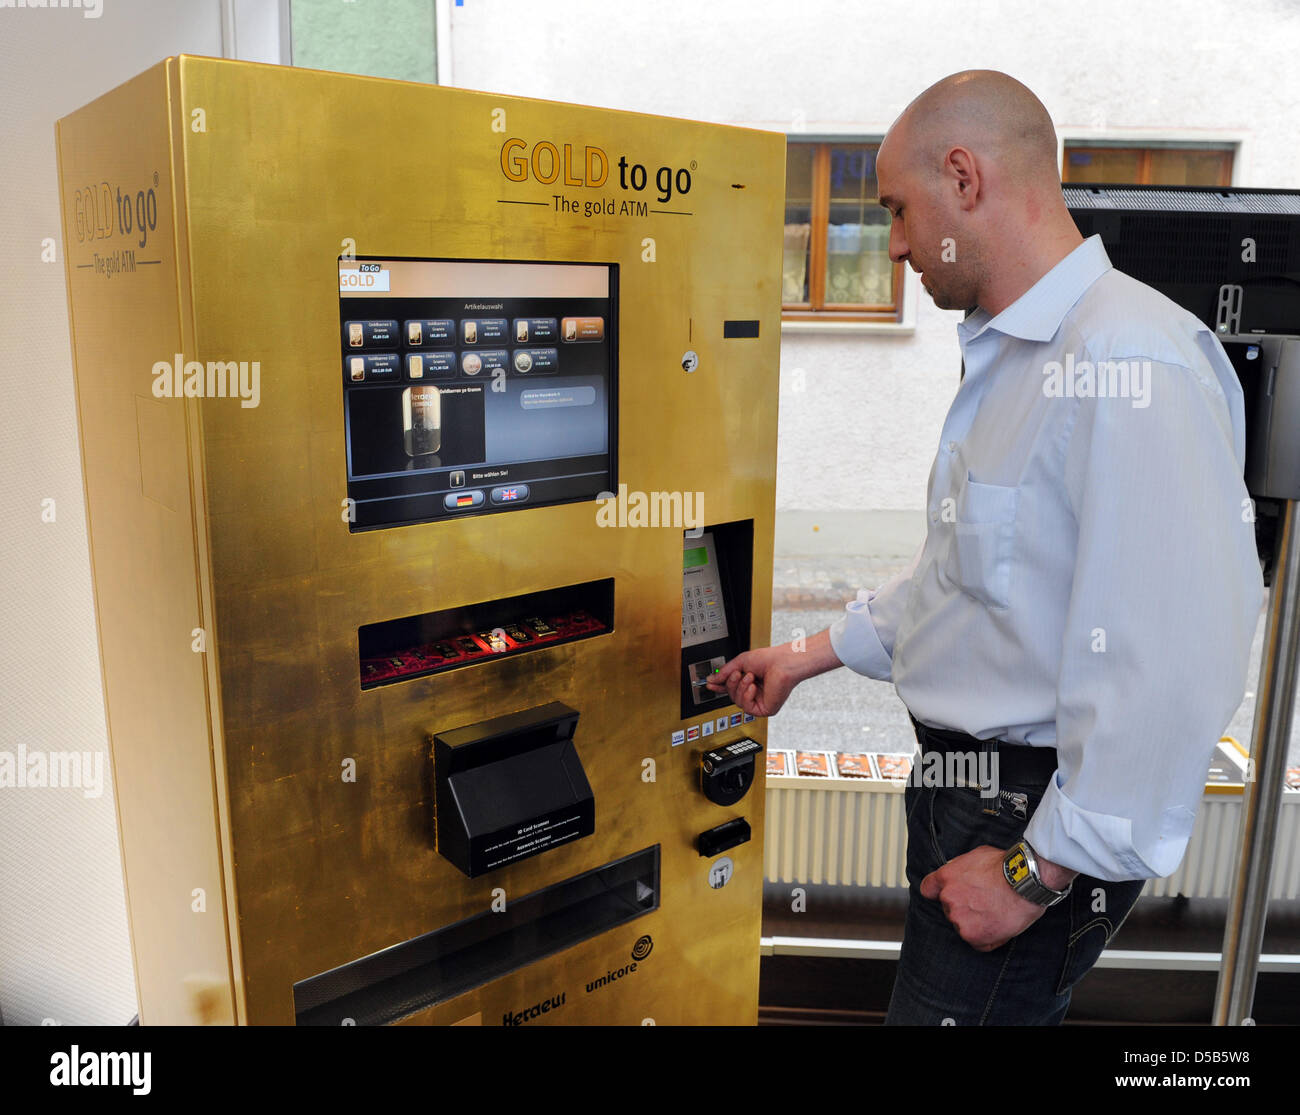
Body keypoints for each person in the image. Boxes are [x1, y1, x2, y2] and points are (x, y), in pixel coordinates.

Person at [707, 70, 1264, 1024]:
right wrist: (808, 656)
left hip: (1026, 824)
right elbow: (966, 578)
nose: (894, 244)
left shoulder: (1132, 360)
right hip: (971, 800)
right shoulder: (1011, 356)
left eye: (897, 209)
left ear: (964, 176)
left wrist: (1032, 873)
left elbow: (1172, 663)